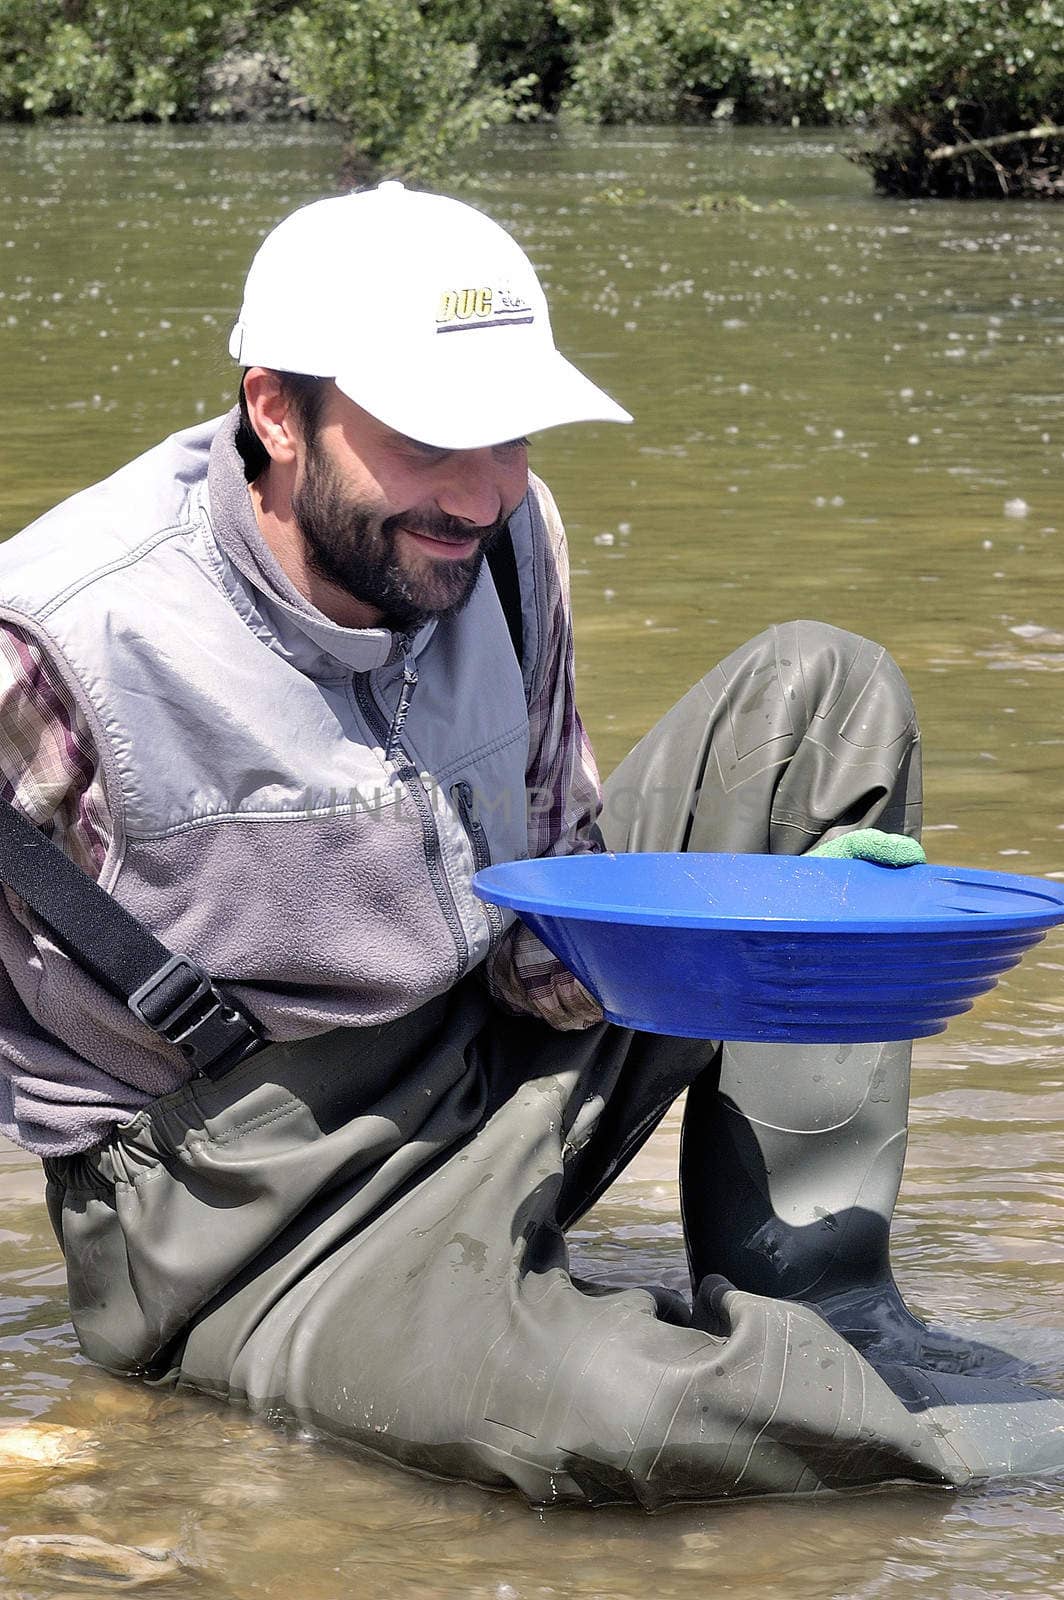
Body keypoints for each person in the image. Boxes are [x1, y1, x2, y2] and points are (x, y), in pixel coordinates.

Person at [0, 182, 1061, 1508]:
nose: (488, 489)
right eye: (436, 436)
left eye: (513, 431)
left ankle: (833, 1305)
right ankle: (945, 1453)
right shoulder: (60, 645)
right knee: (628, 1412)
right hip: (256, 1234)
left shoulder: (505, 541)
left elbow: (547, 920)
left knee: (820, 694)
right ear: (276, 410)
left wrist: (760, 918)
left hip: (495, 1042)